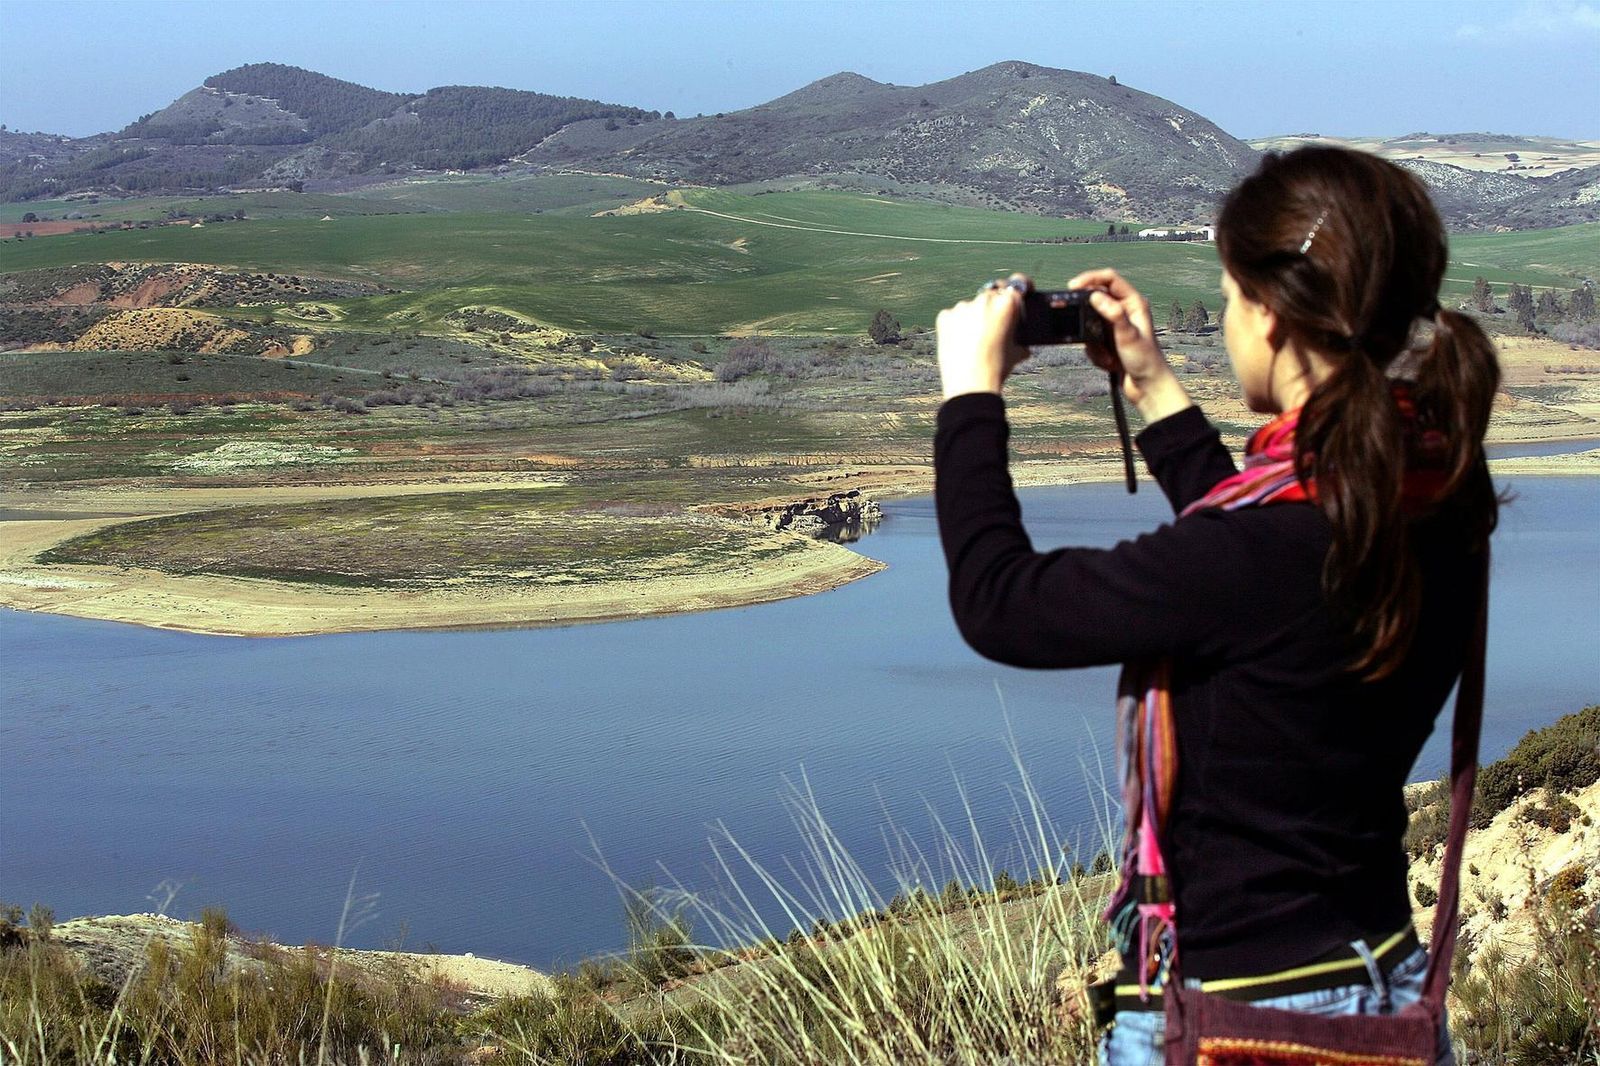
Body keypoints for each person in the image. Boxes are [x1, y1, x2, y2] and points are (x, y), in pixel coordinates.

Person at [932, 146, 1498, 1066]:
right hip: (1385, 990)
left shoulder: (1270, 553)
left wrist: (970, 398)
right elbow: (1263, 579)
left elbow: (1001, 604)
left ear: (1270, 317)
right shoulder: (1434, 502)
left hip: (1239, 1020)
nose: (1231, 321)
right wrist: (1153, 386)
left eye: (1233, 299)